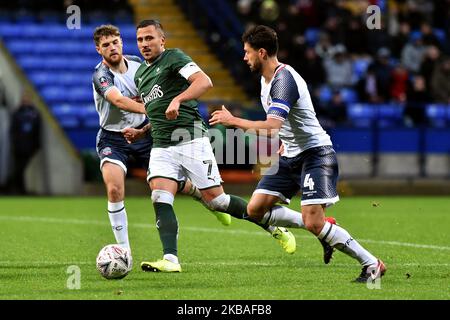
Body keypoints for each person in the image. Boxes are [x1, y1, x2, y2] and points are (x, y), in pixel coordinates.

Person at [121, 19, 306, 273]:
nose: (144, 44)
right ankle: (171, 260)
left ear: (162, 40)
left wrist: (179, 98)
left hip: (191, 139)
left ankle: (274, 227)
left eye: (150, 38)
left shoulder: (174, 58)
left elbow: (204, 82)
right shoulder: (141, 74)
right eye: (140, 39)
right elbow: (157, 112)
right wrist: (141, 132)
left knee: (218, 201)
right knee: (159, 196)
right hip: (162, 146)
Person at [210, 25, 386, 283]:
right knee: (255, 209)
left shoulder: (283, 80)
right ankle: (327, 228)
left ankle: (372, 264)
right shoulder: (265, 80)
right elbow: (284, 124)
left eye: (247, 52)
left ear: (261, 53)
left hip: (315, 154)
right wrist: (285, 141)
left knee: (315, 223)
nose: (243, 57)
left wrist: (234, 120)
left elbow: (271, 126)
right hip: (291, 154)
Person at [92, 25, 230, 258]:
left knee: (179, 183)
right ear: (98, 50)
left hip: (145, 132)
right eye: (105, 45)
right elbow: (121, 102)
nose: (112, 48)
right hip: (113, 138)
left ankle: (210, 201)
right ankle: (125, 251)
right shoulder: (100, 75)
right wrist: (156, 108)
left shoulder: (139, 65)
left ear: (122, 44)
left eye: (115, 42)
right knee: (114, 188)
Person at [10, 93, 41, 195]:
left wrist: (36, 146)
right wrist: (14, 144)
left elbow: (37, 131)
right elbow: (13, 131)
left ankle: (20, 190)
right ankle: (19, 190)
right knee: (19, 169)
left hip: (29, 147)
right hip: (19, 146)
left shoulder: (35, 114)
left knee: (21, 169)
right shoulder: (17, 113)